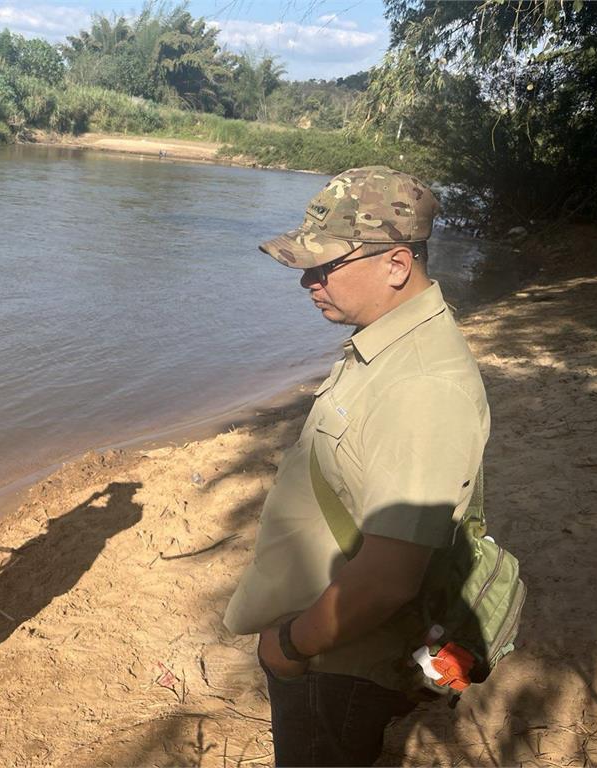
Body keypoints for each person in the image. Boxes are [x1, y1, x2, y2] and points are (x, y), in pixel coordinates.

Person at [224, 167, 490, 766]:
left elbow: (390, 576)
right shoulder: (389, 341)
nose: (307, 283)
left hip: (337, 662)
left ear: (397, 265)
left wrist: (289, 646)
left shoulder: (422, 384)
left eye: (323, 267)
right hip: (328, 645)